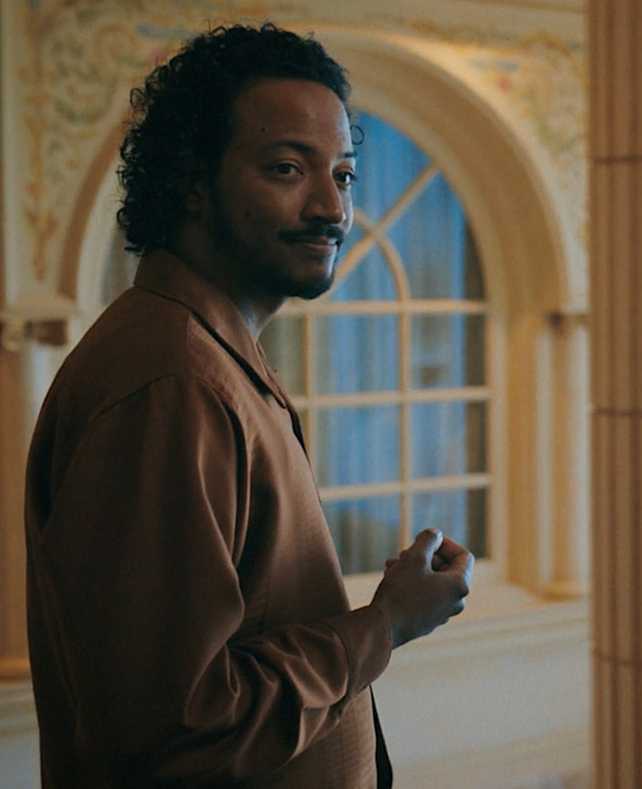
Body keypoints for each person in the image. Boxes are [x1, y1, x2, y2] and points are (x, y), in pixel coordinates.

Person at [23, 23, 472, 788]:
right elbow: (176, 733)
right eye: (288, 168)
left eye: (346, 173)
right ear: (193, 182)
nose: (332, 205)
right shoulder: (169, 381)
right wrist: (385, 623)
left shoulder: (209, 351)